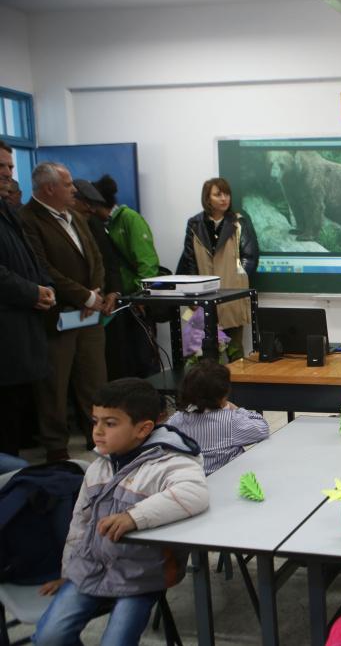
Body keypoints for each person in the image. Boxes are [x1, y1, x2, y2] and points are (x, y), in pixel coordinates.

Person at [33, 378, 209, 645]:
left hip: (141, 575)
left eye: (110, 423)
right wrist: (68, 573)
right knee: (49, 638)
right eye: (95, 421)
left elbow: (194, 493)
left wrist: (133, 517)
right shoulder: (99, 466)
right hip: (91, 567)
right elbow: (79, 523)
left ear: (143, 429)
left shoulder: (169, 460)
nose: (97, 431)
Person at [20, 162, 106, 462]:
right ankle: (56, 447)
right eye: (68, 185)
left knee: (94, 380)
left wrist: (95, 293)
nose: (74, 190)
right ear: (49, 188)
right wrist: (84, 297)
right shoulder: (27, 219)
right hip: (56, 316)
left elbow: (95, 256)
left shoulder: (75, 216)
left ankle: (99, 436)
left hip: (89, 315)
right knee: (54, 387)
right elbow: (42, 268)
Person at [76, 175, 162, 378]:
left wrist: (141, 295)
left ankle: (152, 395)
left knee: (143, 356)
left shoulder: (129, 218)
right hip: (117, 302)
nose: (89, 211)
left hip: (135, 300)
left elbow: (148, 262)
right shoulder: (100, 224)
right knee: (123, 357)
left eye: (91, 206)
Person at [0, 142, 53, 457]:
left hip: (20, 332)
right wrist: (32, 292)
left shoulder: (7, 210)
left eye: (9, 166)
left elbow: (30, 258)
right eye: (1, 167)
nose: (8, 173)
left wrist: (45, 286)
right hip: (6, 336)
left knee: (13, 417)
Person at [176, 177, 259, 360]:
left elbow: (250, 257)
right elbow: (189, 260)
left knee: (235, 350)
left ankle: (237, 378)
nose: (224, 198)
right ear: (207, 198)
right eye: (218, 194)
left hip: (233, 294)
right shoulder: (195, 224)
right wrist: (193, 294)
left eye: (227, 194)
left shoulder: (238, 222)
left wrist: (237, 280)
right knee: (205, 351)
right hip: (204, 296)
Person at [164, 359, 270, 475]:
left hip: (193, 479)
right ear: (224, 395)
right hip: (228, 478)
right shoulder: (230, 421)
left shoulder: (175, 421)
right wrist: (236, 409)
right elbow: (263, 428)